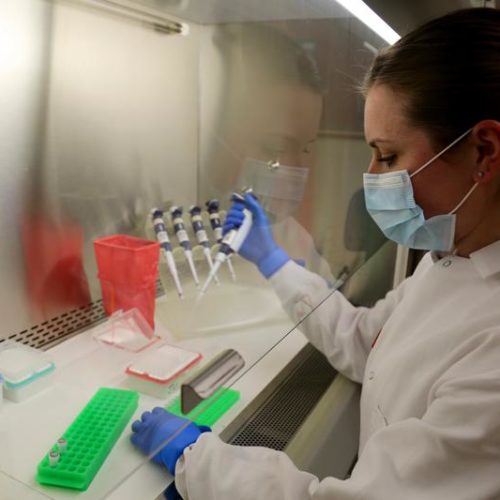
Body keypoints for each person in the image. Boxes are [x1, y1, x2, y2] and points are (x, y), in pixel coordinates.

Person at [130, 8, 500, 499]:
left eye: (388, 155)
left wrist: (202, 463)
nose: (370, 174)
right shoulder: (450, 260)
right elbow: (366, 340)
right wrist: (274, 263)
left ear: (483, 151)